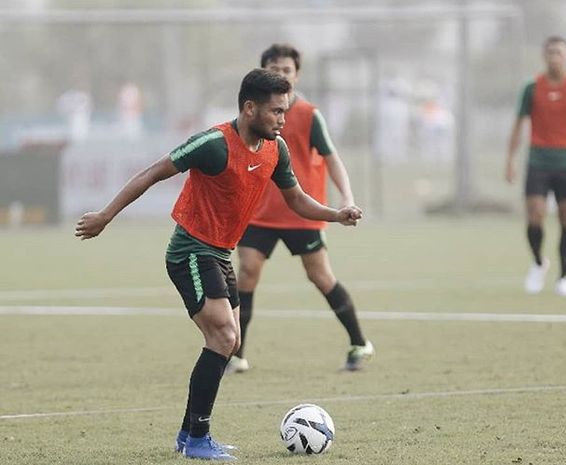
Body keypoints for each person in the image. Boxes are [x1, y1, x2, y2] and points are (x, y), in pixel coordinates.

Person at [74, 68, 362, 461]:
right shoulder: (213, 144)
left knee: (229, 340)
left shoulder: (275, 149)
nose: (283, 119)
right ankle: (197, 440)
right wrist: (106, 216)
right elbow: (152, 173)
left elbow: (295, 200)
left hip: (220, 253)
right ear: (249, 108)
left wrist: (335, 213)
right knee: (225, 338)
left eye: (285, 111)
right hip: (189, 252)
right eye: (276, 112)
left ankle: (187, 435)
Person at [228, 44, 374, 374]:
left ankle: (359, 343)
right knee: (247, 272)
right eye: (274, 69)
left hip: (302, 211)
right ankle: (236, 353)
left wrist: (346, 198)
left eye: (287, 70)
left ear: (297, 75)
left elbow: (332, 158)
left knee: (320, 276)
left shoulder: (309, 115)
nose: (281, 75)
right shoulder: (252, 114)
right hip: (259, 212)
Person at [505, 36, 566, 297]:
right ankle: (538, 263)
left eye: (558, 52)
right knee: (535, 215)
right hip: (538, 162)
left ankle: (564, 278)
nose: (554, 57)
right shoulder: (531, 87)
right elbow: (518, 125)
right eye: (549, 52)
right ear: (543, 56)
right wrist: (510, 160)